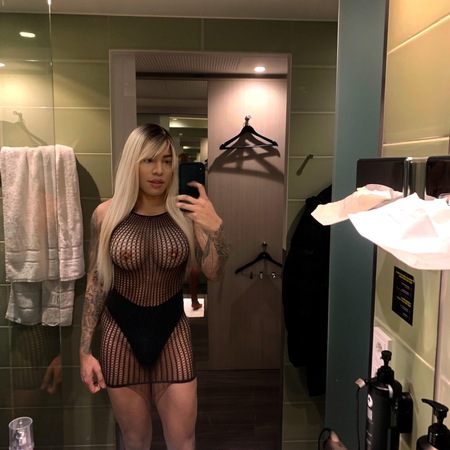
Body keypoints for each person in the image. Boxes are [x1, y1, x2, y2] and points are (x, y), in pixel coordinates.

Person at [79, 123, 228, 450]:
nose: (159, 170)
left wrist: (216, 229)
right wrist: (85, 351)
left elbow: (214, 273)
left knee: (183, 441)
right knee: (135, 441)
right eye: (148, 160)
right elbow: (96, 281)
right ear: (132, 162)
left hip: (172, 331)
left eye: (166, 160)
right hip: (119, 334)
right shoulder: (105, 215)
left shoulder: (187, 214)